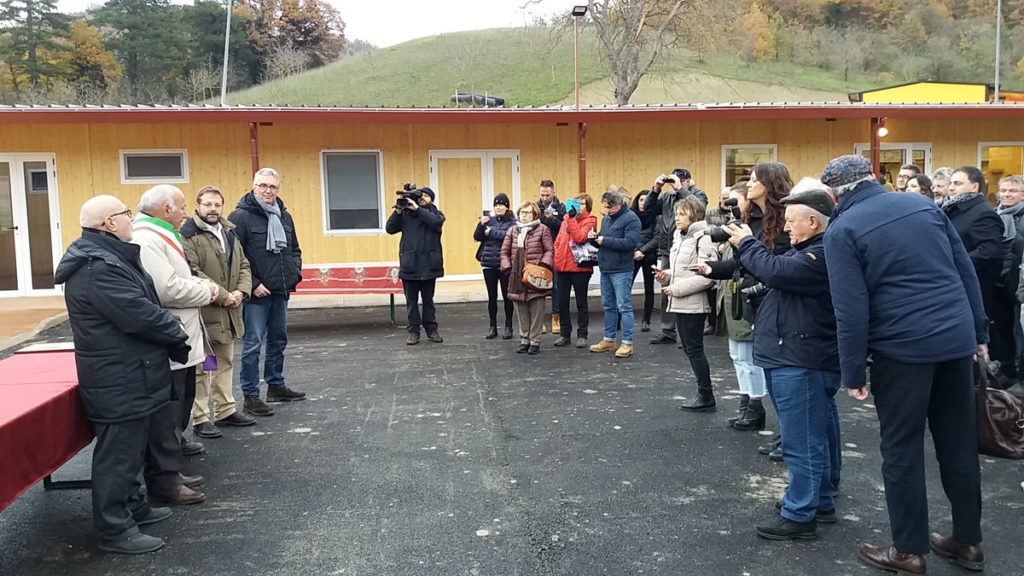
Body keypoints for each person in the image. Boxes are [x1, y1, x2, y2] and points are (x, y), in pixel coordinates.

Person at [821, 154, 987, 575]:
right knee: (958, 442)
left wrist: (853, 371)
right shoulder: (923, 205)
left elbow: (851, 309)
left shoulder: (842, 229)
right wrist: (979, 333)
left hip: (902, 351)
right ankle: (967, 541)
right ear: (873, 179)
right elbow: (964, 269)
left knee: (902, 448)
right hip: (954, 340)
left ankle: (908, 551)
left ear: (834, 193)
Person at [55, 195, 190, 554]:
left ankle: (135, 507)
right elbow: (140, 314)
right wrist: (176, 330)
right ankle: (115, 530)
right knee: (118, 457)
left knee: (131, 452)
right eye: (126, 214)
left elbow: (144, 306)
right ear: (109, 223)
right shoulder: (98, 267)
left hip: (132, 372)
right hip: (119, 376)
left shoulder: (110, 257)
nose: (132, 219)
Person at [723, 188, 841, 541]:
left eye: (791, 222)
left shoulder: (820, 255)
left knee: (800, 440)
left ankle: (800, 513)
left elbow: (776, 271)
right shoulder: (809, 251)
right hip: (794, 355)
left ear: (813, 221)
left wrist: (747, 242)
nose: (786, 228)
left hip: (800, 359)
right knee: (812, 435)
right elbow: (775, 271)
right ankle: (818, 501)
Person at [133, 185, 214, 506]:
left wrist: (199, 284)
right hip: (171, 338)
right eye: (181, 207)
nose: (185, 212)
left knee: (180, 406)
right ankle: (164, 480)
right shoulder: (147, 237)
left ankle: (171, 473)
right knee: (167, 415)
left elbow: (181, 277)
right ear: (165, 209)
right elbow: (166, 289)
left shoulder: (161, 233)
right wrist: (207, 292)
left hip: (183, 338)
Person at [702, 162, 792, 432]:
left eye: (755, 180)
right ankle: (758, 413)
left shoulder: (787, 218)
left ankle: (787, 433)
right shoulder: (751, 220)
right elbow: (744, 264)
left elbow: (778, 264)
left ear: (770, 183)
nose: (749, 184)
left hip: (780, 300)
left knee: (782, 370)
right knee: (762, 364)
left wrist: (746, 244)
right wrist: (712, 269)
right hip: (754, 300)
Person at [229, 167, 306, 416]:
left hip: (280, 290)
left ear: (278, 189)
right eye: (262, 185)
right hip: (256, 294)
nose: (267, 190)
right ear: (254, 187)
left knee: (278, 340)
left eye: (272, 186)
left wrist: (294, 272)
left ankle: (276, 385)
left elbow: (294, 249)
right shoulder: (240, 217)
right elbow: (234, 257)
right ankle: (250, 395)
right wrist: (252, 284)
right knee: (252, 344)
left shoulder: (284, 216)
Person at [180, 185, 256, 438]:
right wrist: (223, 295)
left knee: (224, 362)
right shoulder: (188, 235)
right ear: (198, 205)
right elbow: (191, 271)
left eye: (217, 205)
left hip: (229, 312)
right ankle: (200, 417)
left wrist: (241, 292)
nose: (213, 209)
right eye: (208, 204)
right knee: (203, 366)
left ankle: (225, 410)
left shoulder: (229, 232)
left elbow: (244, 265)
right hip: (204, 313)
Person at [707, 180, 768, 431]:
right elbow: (737, 265)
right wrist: (710, 269)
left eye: (735, 201)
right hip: (733, 295)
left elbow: (754, 263)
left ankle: (755, 407)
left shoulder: (757, 228)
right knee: (737, 356)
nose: (730, 206)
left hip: (750, 296)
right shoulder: (740, 228)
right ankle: (746, 404)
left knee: (748, 356)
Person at [654, 196, 718, 411]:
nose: (677, 218)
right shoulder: (680, 236)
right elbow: (683, 271)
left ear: (694, 214)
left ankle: (706, 395)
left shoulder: (704, 237)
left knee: (694, 349)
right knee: (691, 350)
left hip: (693, 303)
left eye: (682, 214)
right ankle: (704, 393)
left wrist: (676, 288)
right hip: (680, 301)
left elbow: (707, 275)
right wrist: (667, 275)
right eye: (676, 213)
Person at [645, 168, 707, 345]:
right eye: (672, 182)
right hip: (669, 248)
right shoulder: (667, 197)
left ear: (688, 181)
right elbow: (648, 210)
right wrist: (655, 189)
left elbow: (700, 209)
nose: (673, 185)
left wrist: (681, 190)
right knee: (667, 289)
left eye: (678, 182)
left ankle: (688, 334)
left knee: (689, 287)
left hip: (691, 247)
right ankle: (668, 330)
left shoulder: (697, 193)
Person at [944, 166, 1006, 327]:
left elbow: (989, 251)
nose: (951, 188)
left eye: (957, 183)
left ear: (975, 186)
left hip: (974, 288)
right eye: (950, 183)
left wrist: (952, 264)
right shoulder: (951, 210)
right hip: (954, 286)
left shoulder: (982, 213)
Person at [386, 184, 445, 345]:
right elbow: (390, 229)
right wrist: (398, 211)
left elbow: (435, 223)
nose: (422, 198)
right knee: (411, 302)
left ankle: (431, 330)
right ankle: (413, 332)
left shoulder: (435, 214)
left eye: (426, 196)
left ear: (432, 199)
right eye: (421, 196)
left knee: (428, 300)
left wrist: (418, 209)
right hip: (410, 265)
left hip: (428, 265)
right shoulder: (405, 215)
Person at [590, 188, 642, 358]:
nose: (606, 210)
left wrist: (605, 240)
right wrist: (595, 240)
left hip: (621, 269)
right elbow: (604, 241)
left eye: (609, 207)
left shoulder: (631, 219)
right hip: (606, 268)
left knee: (624, 306)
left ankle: (627, 343)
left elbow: (630, 243)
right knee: (608, 306)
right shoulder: (606, 219)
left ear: (619, 204)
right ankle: (609, 339)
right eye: (605, 207)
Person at [500, 200, 554, 354]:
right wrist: (508, 268)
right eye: (522, 213)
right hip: (516, 275)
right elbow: (504, 252)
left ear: (534, 214)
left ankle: (535, 341)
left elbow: (550, 250)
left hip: (535, 276)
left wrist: (542, 266)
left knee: (537, 309)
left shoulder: (542, 229)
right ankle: (524, 339)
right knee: (521, 308)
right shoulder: (512, 231)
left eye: (527, 213)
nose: (524, 216)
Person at [553, 193, 598, 348]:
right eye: (577, 203)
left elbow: (580, 237)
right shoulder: (565, 221)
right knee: (562, 302)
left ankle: (582, 334)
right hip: (563, 267)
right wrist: (557, 257)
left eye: (583, 204)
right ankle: (565, 334)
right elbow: (558, 241)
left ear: (588, 206)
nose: (579, 206)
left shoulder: (591, 220)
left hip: (580, 267)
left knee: (581, 302)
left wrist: (571, 219)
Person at [993, 175, 1024, 388]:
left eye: (1012, 190)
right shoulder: (993, 215)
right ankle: (1007, 369)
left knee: (1018, 331)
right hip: (997, 282)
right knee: (1002, 328)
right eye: (1003, 190)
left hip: (1017, 284)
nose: (1006, 194)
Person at [474, 193, 516, 340]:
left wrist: (491, 232)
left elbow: (509, 235)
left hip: (504, 265)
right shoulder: (488, 221)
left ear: (507, 207)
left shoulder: (512, 222)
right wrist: (481, 225)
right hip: (488, 263)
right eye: (496, 205)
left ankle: (508, 326)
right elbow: (477, 237)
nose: (498, 207)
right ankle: (492, 326)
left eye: (501, 205)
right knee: (492, 296)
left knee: (507, 296)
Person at [537, 180, 564, 334]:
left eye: (547, 195)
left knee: (555, 286)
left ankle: (556, 317)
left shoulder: (561, 208)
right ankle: (539, 319)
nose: (544, 198)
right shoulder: (535, 207)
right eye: (542, 195)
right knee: (538, 285)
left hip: (555, 251)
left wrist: (551, 219)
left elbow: (564, 228)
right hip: (539, 251)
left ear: (553, 193)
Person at [631, 190, 657, 333]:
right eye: (641, 200)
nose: (643, 203)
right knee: (626, 287)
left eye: (646, 200)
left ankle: (646, 319)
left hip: (649, 256)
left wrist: (643, 251)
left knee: (649, 289)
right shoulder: (630, 215)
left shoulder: (655, 216)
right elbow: (627, 235)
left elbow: (657, 237)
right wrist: (635, 251)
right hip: (632, 255)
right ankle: (619, 319)